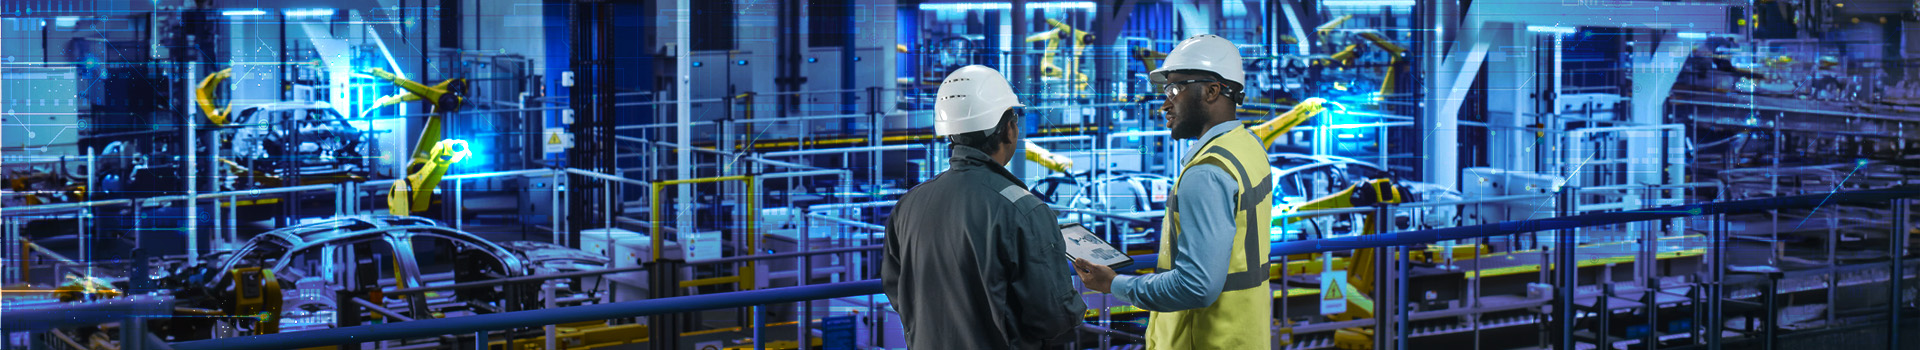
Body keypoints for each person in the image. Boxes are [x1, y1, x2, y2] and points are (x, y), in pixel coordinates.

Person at [1071, 34, 1275, 349]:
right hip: (1244, 335)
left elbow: (1197, 286)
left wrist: (1114, 283)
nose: (1165, 103)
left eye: (1175, 90)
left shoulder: (1206, 173)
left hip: (1201, 339)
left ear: (1212, 91)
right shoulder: (1249, 148)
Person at [882, 65, 1087, 349]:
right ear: (1009, 129)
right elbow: (1053, 318)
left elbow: (896, 291)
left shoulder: (908, 204)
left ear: (951, 133)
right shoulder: (1025, 210)